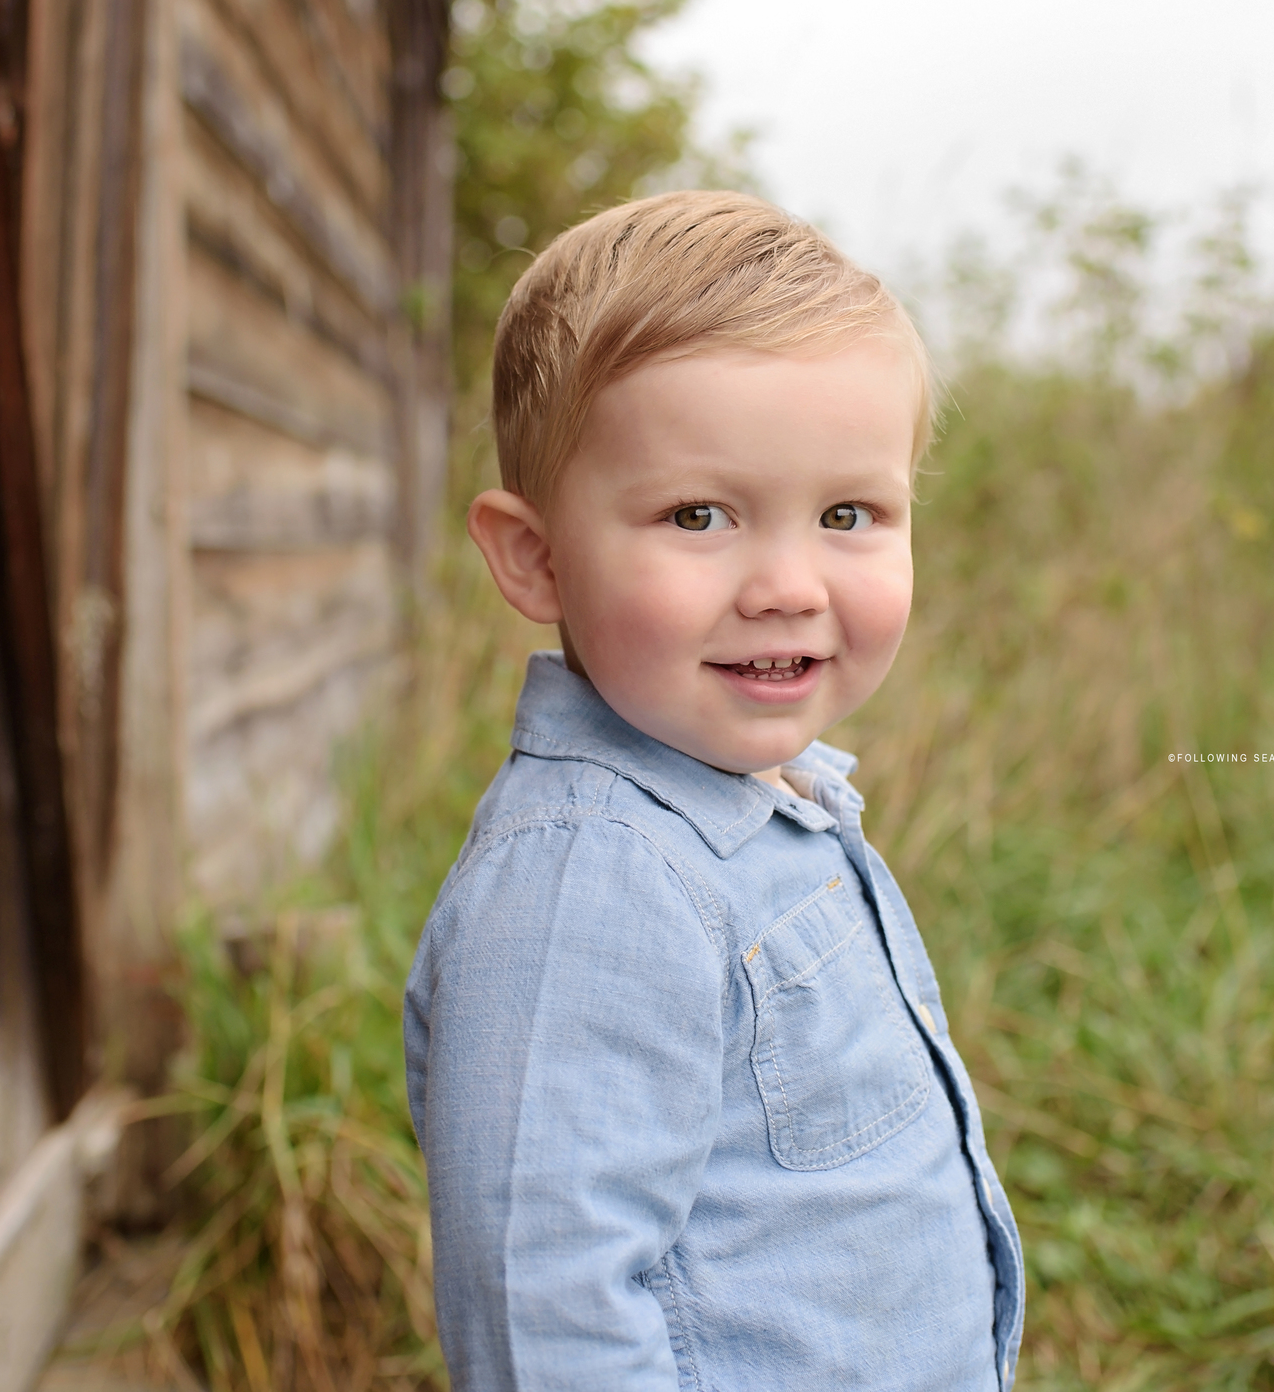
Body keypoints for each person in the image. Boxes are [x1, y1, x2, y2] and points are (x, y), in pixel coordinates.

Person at [403, 191, 1025, 1390]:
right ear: (533, 556)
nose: (787, 584)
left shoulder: (764, 806)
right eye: (700, 515)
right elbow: (547, 1319)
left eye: (849, 513)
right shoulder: (590, 883)